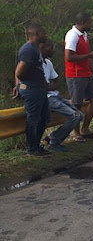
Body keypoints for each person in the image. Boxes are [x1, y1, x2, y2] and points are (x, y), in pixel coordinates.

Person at [15, 25, 51, 156]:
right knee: (33, 119)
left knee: (45, 117)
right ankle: (32, 149)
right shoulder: (28, 50)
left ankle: (36, 146)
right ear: (36, 33)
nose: (45, 35)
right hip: (32, 89)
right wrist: (24, 84)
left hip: (39, 89)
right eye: (43, 32)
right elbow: (19, 71)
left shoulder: (35, 50)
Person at [40, 41, 83, 150]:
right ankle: (54, 142)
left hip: (55, 95)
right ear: (42, 49)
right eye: (49, 48)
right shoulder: (36, 63)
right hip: (47, 98)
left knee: (80, 115)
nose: (52, 50)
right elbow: (41, 85)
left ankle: (52, 136)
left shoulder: (48, 63)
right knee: (74, 116)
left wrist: (50, 86)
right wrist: (48, 86)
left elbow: (56, 80)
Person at [64, 12, 93, 140]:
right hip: (75, 75)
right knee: (76, 104)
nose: (91, 25)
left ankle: (85, 128)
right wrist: (89, 56)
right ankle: (76, 133)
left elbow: (86, 55)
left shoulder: (84, 35)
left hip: (86, 73)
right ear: (83, 23)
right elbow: (69, 57)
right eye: (89, 23)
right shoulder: (72, 35)